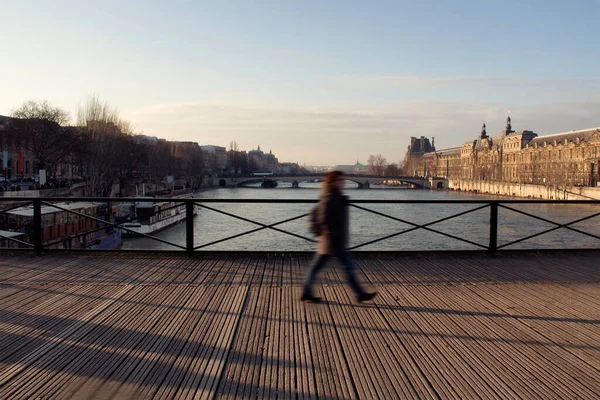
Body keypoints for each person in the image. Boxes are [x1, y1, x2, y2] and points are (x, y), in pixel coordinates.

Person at [301, 170, 376, 303]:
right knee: (347, 266)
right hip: (332, 240)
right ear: (333, 182)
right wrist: (330, 232)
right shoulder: (331, 197)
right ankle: (359, 293)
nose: (343, 183)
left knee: (318, 266)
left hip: (332, 240)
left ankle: (307, 291)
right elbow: (323, 216)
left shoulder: (334, 196)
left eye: (343, 180)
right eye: (340, 180)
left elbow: (318, 213)